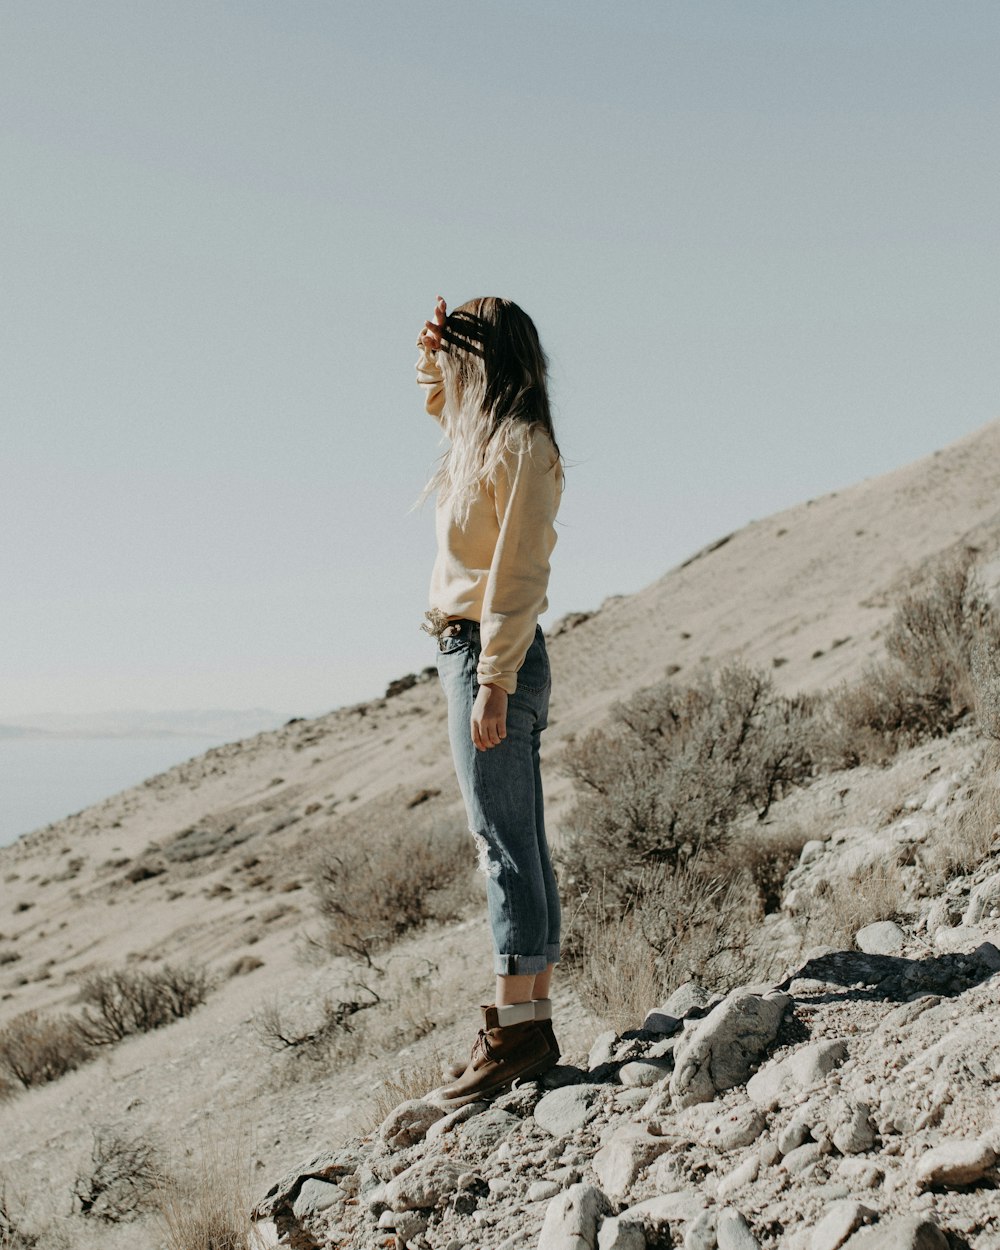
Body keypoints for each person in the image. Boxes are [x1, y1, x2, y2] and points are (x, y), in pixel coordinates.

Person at [415, 295, 564, 1105]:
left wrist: (495, 680)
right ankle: (527, 1025)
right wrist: (430, 348)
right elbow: (438, 397)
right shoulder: (484, 437)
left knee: (504, 846)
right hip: (475, 652)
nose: (449, 371)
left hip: (487, 654)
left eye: (458, 353)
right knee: (516, 841)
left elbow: (517, 577)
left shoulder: (519, 447)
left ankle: (513, 1037)